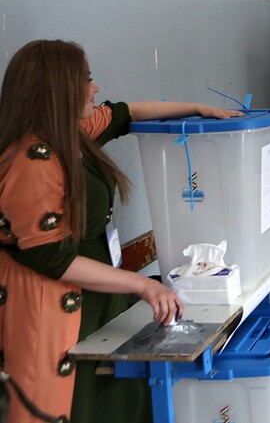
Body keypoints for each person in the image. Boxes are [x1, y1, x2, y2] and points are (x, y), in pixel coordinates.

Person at [0, 39, 245, 423]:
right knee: (68, 399)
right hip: (55, 301)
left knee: (115, 390)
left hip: (101, 292)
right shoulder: (33, 160)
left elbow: (127, 113)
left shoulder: (71, 132)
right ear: (57, 89)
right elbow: (50, 257)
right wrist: (142, 285)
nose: (95, 89)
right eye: (86, 79)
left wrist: (199, 108)